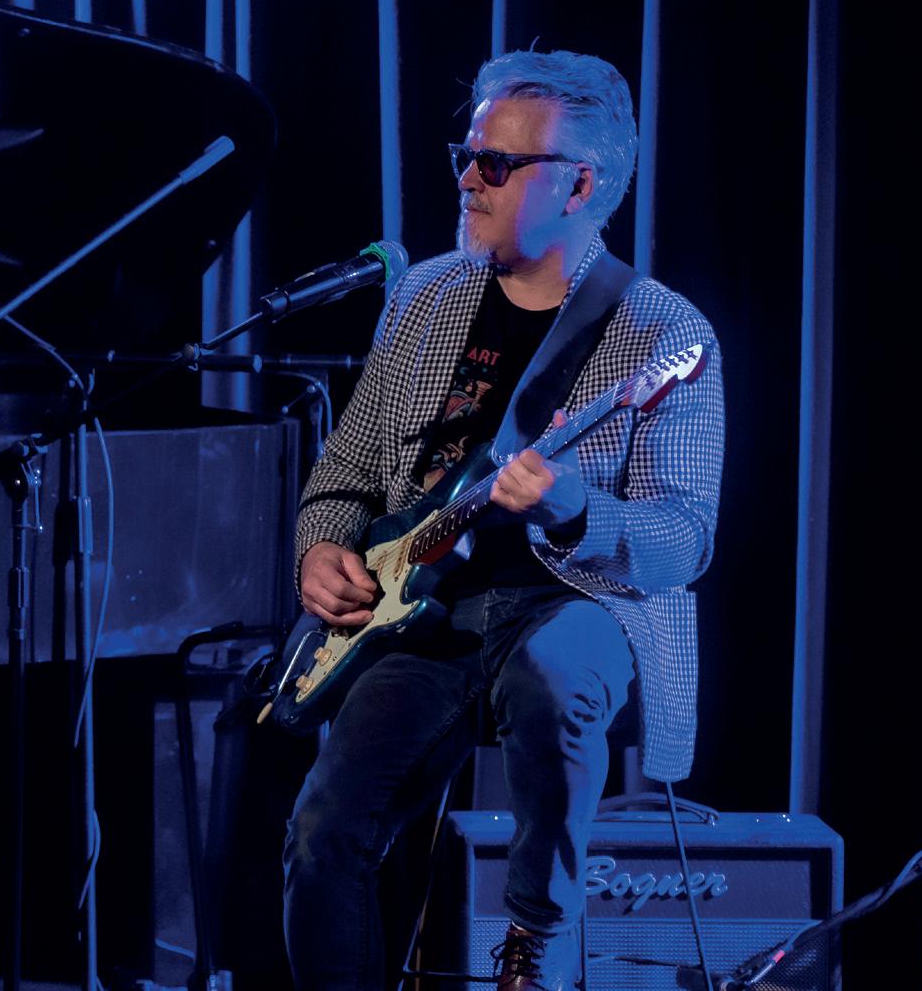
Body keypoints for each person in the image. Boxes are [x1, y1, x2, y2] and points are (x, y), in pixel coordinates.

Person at [281, 50, 723, 990]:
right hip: (424, 607)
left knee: (553, 677)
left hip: (577, 595)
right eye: (465, 157)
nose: (466, 181)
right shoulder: (424, 296)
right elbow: (347, 467)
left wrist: (576, 509)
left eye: (495, 164)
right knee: (321, 834)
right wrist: (319, 544)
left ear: (579, 185)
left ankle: (536, 937)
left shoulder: (662, 330)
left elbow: (683, 539)